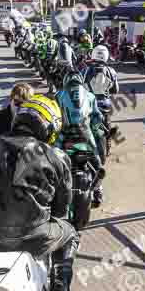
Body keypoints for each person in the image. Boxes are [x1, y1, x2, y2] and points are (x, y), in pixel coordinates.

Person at [0, 94, 79, 291]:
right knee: (70, 234)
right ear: (49, 129)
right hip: (36, 237)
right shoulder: (57, 156)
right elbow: (61, 209)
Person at [55, 72, 106, 205]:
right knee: (98, 164)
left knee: (53, 161)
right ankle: (98, 190)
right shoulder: (90, 96)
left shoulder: (58, 95)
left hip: (64, 136)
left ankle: (52, 192)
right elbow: (97, 118)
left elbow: (54, 116)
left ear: (65, 82)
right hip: (85, 134)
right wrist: (95, 128)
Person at [82, 45, 121, 145]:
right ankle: (108, 140)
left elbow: (80, 87)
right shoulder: (111, 71)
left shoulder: (85, 71)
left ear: (93, 54)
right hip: (105, 105)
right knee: (107, 123)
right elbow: (115, 90)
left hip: (89, 104)